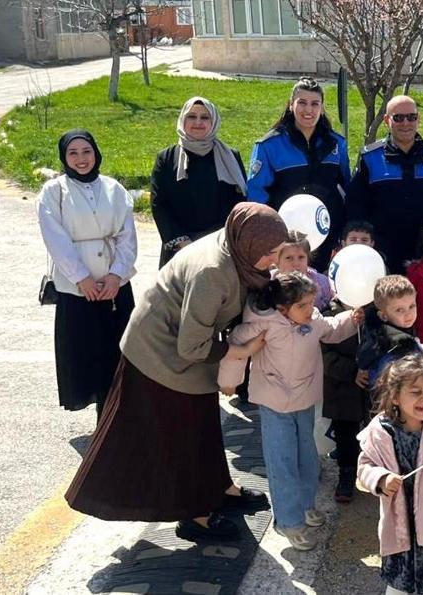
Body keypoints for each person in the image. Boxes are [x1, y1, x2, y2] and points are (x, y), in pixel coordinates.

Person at [66, 202, 287, 542]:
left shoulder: (236, 246)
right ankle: (194, 515)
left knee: (204, 424)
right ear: (250, 244)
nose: (274, 261)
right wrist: (238, 352)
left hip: (182, 344)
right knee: (180, 437)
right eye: (270, 253)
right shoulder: (212, 271)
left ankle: (221, 489)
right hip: (157, 354)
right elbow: (191, 348)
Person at [217, 272, 358, 550]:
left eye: (311, 303)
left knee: (307, 457)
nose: (310, 310)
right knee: (282, 462)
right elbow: (236, 347)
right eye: (303, 305)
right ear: (282, 308)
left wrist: (352, 319)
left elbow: (330, 328)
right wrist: (229, 382)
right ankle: (289, 522)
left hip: (304, 400)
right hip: (273, 403)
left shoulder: (313, 319)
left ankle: (305, 505)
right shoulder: (262, 325)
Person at [37, 129, 138, 421]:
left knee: (117, 349)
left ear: (96, 153)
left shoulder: (114, 189)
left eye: (86, 152)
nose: (81, 159)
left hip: (114, 287)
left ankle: (117, 413)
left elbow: (127, 236)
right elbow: (55, 238)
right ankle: (99, 411)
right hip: (77, 288)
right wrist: (81, 277)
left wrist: (117, 275)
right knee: (86, 352)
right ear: (64, 157)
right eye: (73, 153)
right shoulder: (54, 191)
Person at [358, 354, 423, 595]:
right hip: (399, 526)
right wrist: (381, 479)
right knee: (398, 585)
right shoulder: (380, 431)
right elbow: (364, 466)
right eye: (415, 392)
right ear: (395, 396)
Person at [247, 77, 351, 270]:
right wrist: (267, 235)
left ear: (322, 107)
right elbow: (256, 195)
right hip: (286, 237)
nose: (308, 110)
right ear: (290, 105)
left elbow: (347, 186)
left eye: (314, 104)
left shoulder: (337, 144)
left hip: (326, 230)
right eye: (302, 103)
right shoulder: (269, 145)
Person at [346, 95, 423, 273]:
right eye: (398, 117)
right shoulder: (371, 158)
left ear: (418, 119)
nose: (405, 123)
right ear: (386, 120)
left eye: (411, 117)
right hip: (386, 254)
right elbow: (356, 207)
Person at [151, 97, 247, 266]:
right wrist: (183, 243)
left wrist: (221, 239)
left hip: (220, 248)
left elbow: (240, 202)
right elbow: (159, 204)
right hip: (179, 251)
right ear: (182, 119)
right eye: (191, 116)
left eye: (205, 117)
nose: (198, 122)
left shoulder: (230, 156)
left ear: (214, 121)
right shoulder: (166, 158)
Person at [321, 297, 372, 503]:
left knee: (374, 431)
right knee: (345, 436)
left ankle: (375, 472)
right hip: (341, 389)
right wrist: (353, 372)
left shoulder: (377, 311)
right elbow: (325, 356)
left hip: (371, 385)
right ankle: (347, 475)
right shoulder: (329, 316)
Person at [359, 275, 423, 389]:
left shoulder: (405, 331)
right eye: (399, 310)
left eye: (412, 306)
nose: (409, 314)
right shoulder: (385, 348)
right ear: (383, 316)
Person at [276, 230, 334, 310]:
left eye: (301, 257)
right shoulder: (270, 284)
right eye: (289, 258)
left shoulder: (323, 283)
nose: (296, 264)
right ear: (277, 261)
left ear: (308, 259)